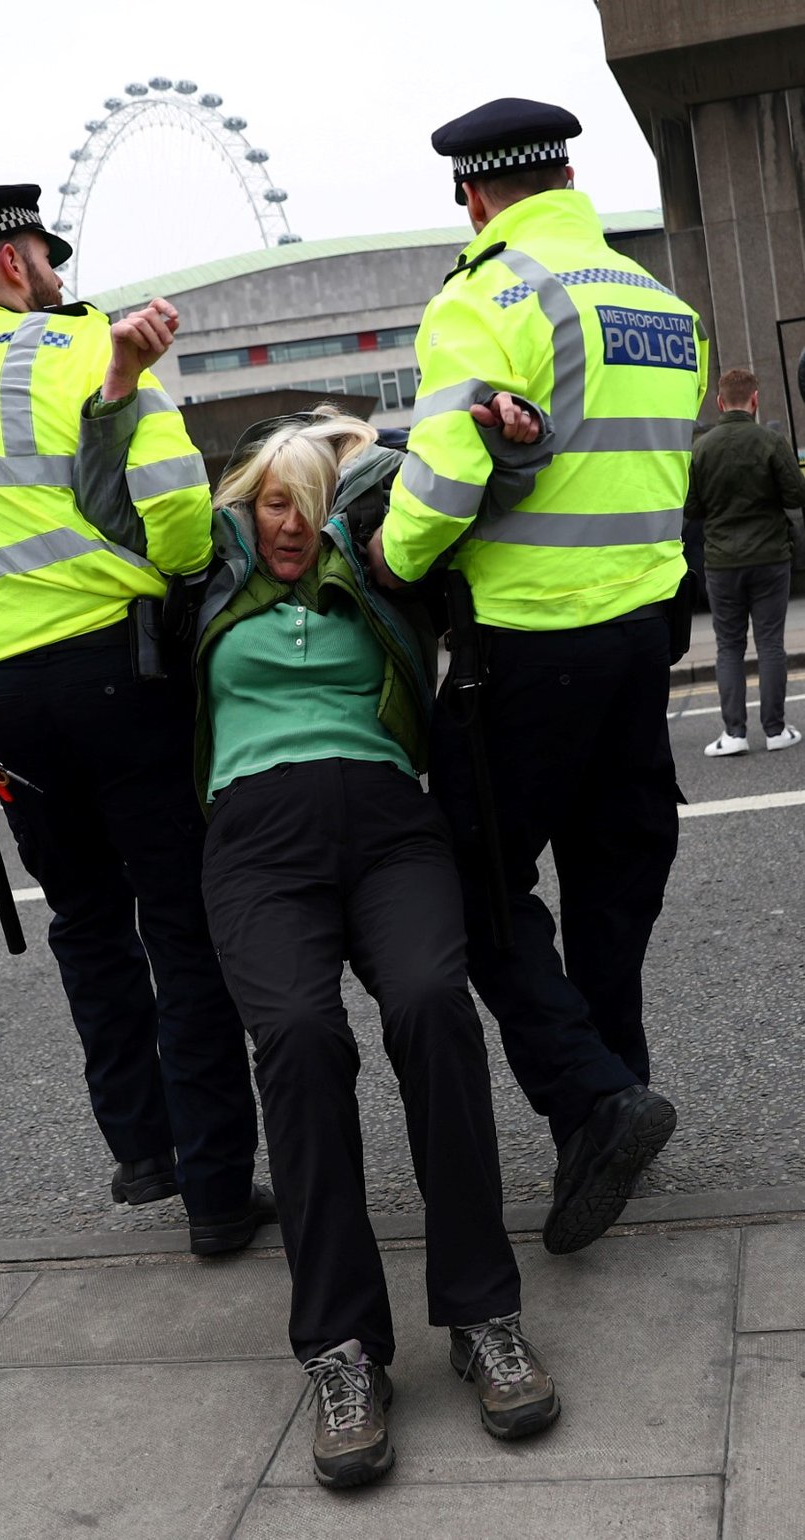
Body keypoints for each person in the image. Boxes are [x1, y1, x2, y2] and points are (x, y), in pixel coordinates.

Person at [0, 184, 271, 1255]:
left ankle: (141, 1147)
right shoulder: (83, 350)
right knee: (181, 923)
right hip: (118, 671)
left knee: (86, 923)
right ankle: (218, 1189)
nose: (58, 273)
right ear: (13, 265)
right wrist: (186, 576)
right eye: (45, 257)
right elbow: (180, 512)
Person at [368, 97, 708, 1257]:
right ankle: (616, 1099)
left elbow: (446, 477)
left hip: (527, 647)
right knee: (616, 875)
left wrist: (389, 555)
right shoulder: (663, 304)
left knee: (471, 886)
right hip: (642, 642)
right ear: (567, 172)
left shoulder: (485, 297)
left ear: (473, 193)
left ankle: (597, 1102)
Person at [196, 407, 559, 1490]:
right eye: (274, 501)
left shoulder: (381, 569)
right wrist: (120, 389)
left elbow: (441, 483)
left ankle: (485, 1316)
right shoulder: (204, 579)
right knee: (300, 1039)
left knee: (431, 1007)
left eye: (311, 505)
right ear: (245, 504)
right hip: (255, 838)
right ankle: (343, 1351)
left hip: (392, 823)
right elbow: (147, 506)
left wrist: (478, 430)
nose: (293, 524)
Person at [685, 368, 805, 757]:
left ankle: (734, 733)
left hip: (721, 562)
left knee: (728, 647)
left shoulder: (701, 449)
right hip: (770, 558)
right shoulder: (771, 441)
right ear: (754, 400)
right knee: (770, 643)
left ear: (720, 403)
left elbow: (691, 508)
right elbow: (795, 496)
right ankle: (774, 730)